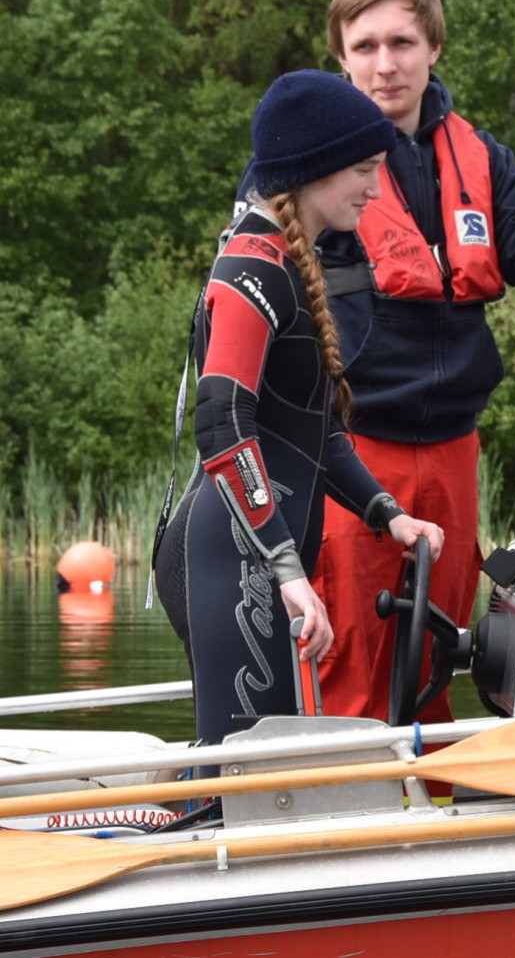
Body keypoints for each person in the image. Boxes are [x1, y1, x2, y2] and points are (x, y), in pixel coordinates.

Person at [253, 0, 515, 725]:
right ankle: (342, 791)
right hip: (346, 453)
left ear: (434, 48)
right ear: (341, 58)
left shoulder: (482, 158)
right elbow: (251, 292)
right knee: (347, 662)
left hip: (451, 452)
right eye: (365, 47)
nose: (386, 64)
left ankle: (436, 795)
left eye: (402, 43)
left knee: (433, 663)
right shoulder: (305, 161)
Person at [155, 70, 444, 746]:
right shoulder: (250, 268)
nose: (375, 189)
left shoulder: (290, 261)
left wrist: (389, 515)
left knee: (267, 773)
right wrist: (286, 569)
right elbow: (222, 422)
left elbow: (318, 434)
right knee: (247, 777)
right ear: (312, 169)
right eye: (363, 171)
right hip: (232, 559)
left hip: (260, 557)